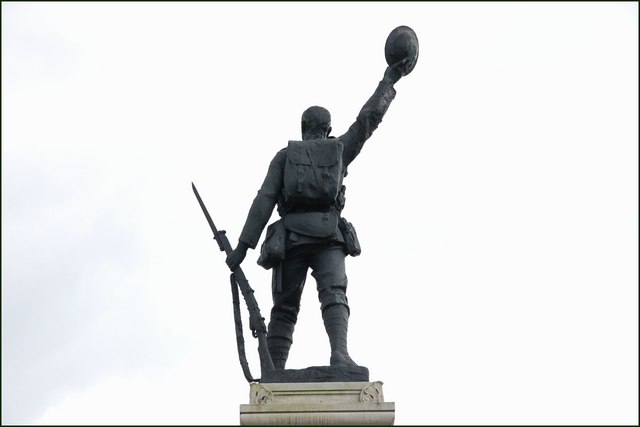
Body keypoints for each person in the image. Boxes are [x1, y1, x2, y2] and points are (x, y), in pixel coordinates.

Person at [226, 60, 407, 370]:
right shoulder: (338, 150)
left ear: (302, 129)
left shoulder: (284, 157)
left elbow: (264, 200)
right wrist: (390, 79)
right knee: (334, 295)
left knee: (284, 310)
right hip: (329, 235)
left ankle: (275, 370)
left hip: (291, 238)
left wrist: (242, 248)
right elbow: (368, 121)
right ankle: (340, 355)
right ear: (328, 129)